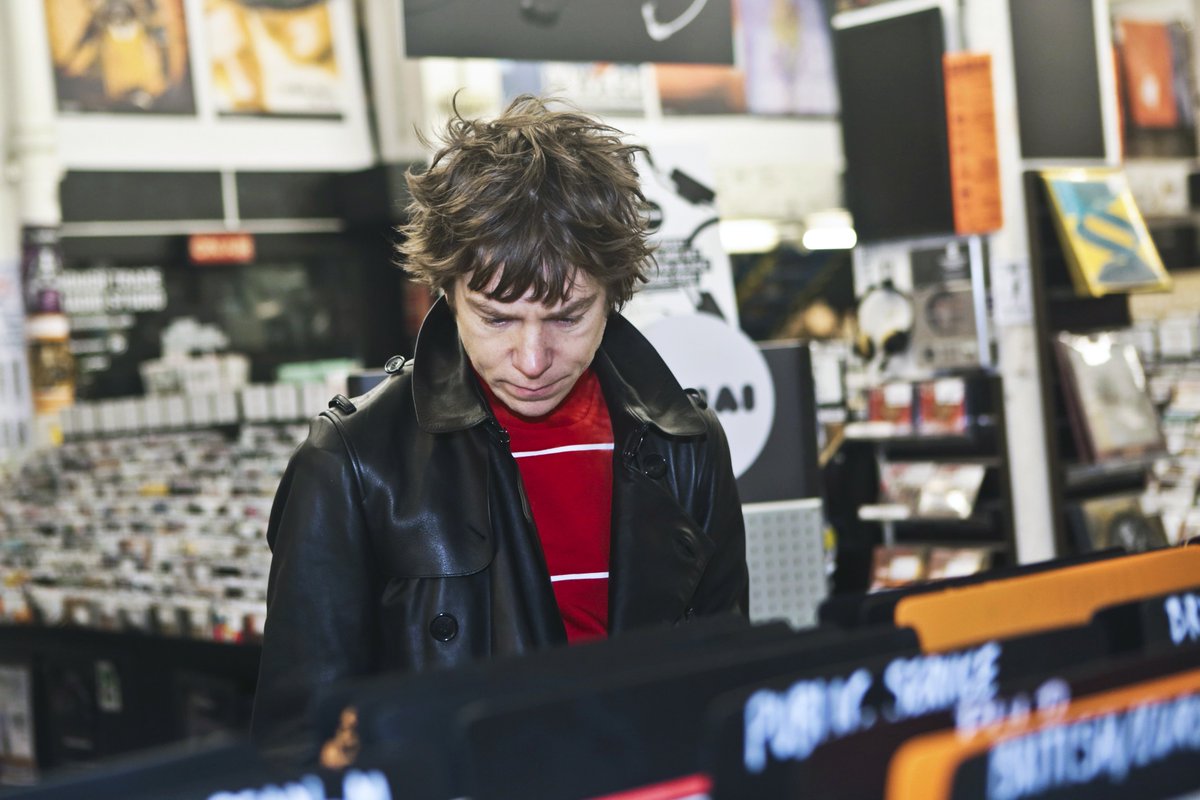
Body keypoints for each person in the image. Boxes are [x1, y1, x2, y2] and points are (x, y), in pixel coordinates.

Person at [250, 95, 749, 763]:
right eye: (497, 318)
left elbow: (726, 693)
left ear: (615, 293)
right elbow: (299, 745)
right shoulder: (353, 464)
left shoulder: (685, 445)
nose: (533, 359)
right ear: (447, 290)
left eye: (568, 317)